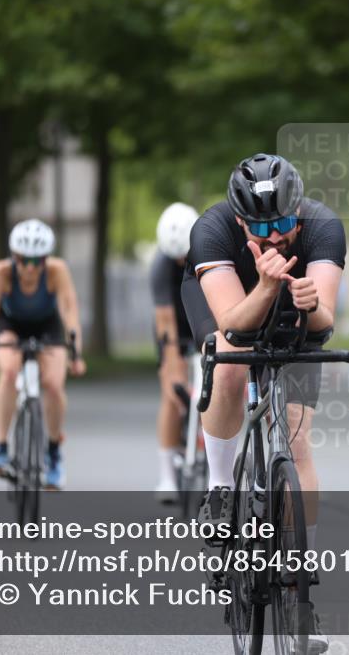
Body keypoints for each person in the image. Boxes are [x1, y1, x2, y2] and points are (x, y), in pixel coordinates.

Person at [182, 153, 344, 653]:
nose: (274, 236)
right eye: (260, 226)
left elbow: (325, 321)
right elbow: (232, 322)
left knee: (297, 444)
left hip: (294, 310)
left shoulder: (323, 227)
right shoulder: (211, 231)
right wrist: (269, 283)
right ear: (238, 221)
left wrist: (307, 302)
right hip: (230, 304)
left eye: (283, 222)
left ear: (299, 210)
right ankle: (220, 486)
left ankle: (301, 591)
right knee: (229, 359)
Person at [0, 219, 86, 490]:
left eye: (37, 262)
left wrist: (76, 353)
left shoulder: (57, 271)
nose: (29, 268)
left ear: (46, 260)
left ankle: (53, 451)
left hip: (47, 326)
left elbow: (70, 313)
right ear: (14, 257)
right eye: (24, 261)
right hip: (10, 325)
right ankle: (1, 447)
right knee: (9, 370)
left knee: (53, 385)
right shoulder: (0, 273)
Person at [150, 202, 200, 504]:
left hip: (207, 321)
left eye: (186, 255)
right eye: (176, 258)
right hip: (175, 329)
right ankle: (167, 475)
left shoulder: (210, 250)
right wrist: (171, 362)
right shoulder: (160, 266)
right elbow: (164, 320)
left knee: (217, 387)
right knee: (171, 393)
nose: (182, 261)